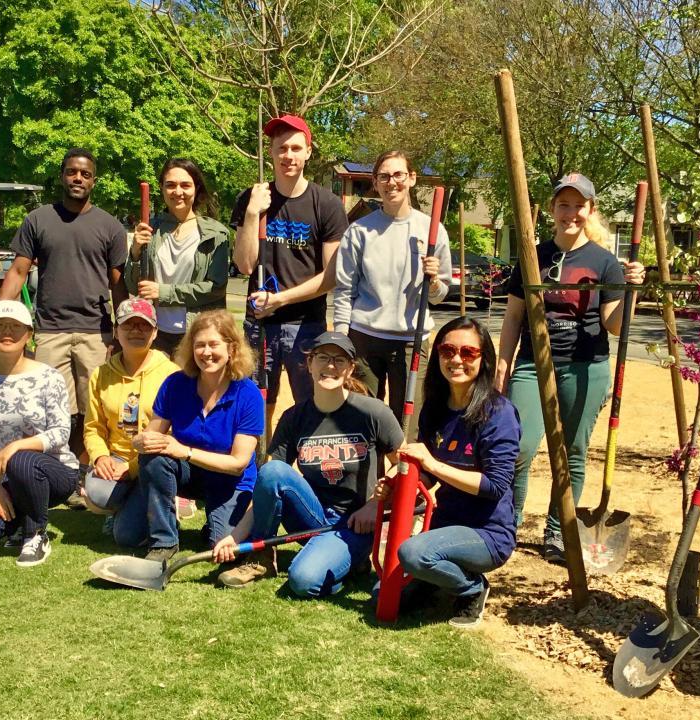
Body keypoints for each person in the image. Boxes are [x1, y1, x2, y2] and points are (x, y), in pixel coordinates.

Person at [494, 173, 645, 562]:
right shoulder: (533, 257)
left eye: (579, 205)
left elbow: (614, 325)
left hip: (585, 367)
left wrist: (632, 291)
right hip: (532, 363)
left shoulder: (605, 263)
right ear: (552, 210)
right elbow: (513, 317)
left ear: (590, 210)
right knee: (520, 448)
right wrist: (503, 363)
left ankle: (558, 533)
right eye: (564, 204)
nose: (571, 213)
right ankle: (506, 525)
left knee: (572, 452)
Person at [211, 331, 403, 593]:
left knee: (303, 581)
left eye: (339, 360)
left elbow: (405, 465)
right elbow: (269, 484)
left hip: (354, 522)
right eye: (323, 357)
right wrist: (235, 537)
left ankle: (347, 559)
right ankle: (262, 556)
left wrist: (375, 504)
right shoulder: (294, 417)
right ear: (309, 364)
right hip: (310, 515)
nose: (330, 366)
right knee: (272, 469)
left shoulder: (373, 412)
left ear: (350, 370)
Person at [0, 148, 129, 463]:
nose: (78, 178)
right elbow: (18, 271)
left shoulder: (110, 227)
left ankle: (88, 473)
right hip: (51, 330)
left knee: (95, 409)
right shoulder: (38, 220)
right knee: (51, 410)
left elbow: (118, 283)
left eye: (85, 174)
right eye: (72, 172)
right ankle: (54, 473)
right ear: (62, 176)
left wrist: (121, 330)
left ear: (94, 181)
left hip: (96, 332)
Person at [392, 316, 520, 628]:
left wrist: (433, 464)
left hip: (488, 533)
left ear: (484, 359)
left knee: (413, 554)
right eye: (447, 351)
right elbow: (428, 475)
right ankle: (434, 581)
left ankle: (472, 589)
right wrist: (399, 480)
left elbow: (494, 485)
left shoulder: (499, 414)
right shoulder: (435, 408)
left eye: (468, 353)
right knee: (389, 583)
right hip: (444, 524)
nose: (456, 360)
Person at [231, 114, 349, 419]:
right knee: (255, 405)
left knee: (310, 405)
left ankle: (302, 467)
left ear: (309, 151)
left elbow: (331, 276)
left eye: (296, 148)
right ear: (270, 152)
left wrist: (281, 299)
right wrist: (252, 214)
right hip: (258, 325)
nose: (288, 156)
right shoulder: (252, 198)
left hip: (305, 326)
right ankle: (257, 463)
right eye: (281, 148)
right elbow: (245, 265)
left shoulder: (327, 204)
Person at [131, 310, 265, 572]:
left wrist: (184, 451)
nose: (206, 353)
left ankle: (213, 523)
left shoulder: (248, 394)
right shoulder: (175, 384)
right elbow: (153, 435)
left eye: (214, 344)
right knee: (127, 532)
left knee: (224, 548)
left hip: (230, 481)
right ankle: (164, 542)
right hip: (189, 475)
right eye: (199, 345)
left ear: (231, 348)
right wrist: (142, 442)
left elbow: (238, 463)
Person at [332, 150, 452, 423]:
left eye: (398, 175)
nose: (391, 182)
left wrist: (433, 282)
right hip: (364, 338)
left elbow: (439, 295)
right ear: (375, 182)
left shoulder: (431, 230)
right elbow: (344, 290)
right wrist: (342, 338)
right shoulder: (359, 231)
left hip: (411, 340)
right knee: (362, 420)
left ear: (411, 178)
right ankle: (371, 468)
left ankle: (403, 467)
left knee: (407, 424)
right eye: (383, 176)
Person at [0, 301, 78, 567]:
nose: (6, 332)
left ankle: (36, 533)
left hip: (54, 471)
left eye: (15, 327)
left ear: (29, 335)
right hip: (4, 474)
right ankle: (20, 522)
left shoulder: (50, 377)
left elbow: (61, 432)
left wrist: (15, 446)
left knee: (21, 458)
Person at [78, 297, 182, 558]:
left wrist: (133, 467)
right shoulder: (100, 374)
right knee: (98, 494)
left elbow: (174, 432)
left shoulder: (172, 374)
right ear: (116, 331)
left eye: (144, 326)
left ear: (155, 332)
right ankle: (130, 505)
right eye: (128, 325)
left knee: (125, 537)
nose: (136, 331)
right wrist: (100, 456)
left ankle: (160, 505)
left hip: (152, 462)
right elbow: (93, 427)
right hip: (115, 460)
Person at [125, 158, 230, 355]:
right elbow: (133, 286)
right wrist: (136, 252)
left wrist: (163, 292)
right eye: (170, 185)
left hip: (197, 334)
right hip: (156, 333)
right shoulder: (151, 229)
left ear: (196, 188)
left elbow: (215, 288)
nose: (178, 192)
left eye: (185, 185)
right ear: (162, 188)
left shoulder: (215, 233)